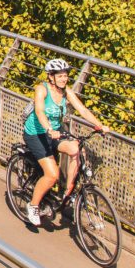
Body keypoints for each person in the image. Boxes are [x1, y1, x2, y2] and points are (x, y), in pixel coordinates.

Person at [23, 57, 106, 226]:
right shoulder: (42, 89)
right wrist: (48, 129)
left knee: (76, 149)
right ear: (51, 77)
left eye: (65, 75)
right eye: (60, 76)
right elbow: (39, 111)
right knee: (52, 174)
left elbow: (82, 109)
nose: (64, 78)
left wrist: (99, 125)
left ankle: (67, 192)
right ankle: (33, 206)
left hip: (56, 132)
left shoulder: (66, 92)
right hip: (37, 133)